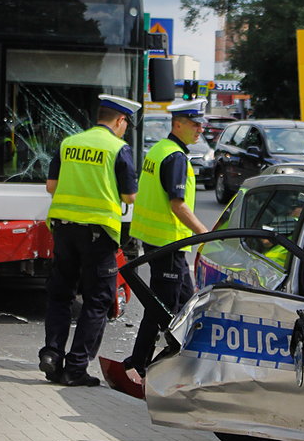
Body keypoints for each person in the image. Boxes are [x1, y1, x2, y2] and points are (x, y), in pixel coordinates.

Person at [38, 94, 142, 386]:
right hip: (98, 235)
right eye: (126, 125)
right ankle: (76, 368)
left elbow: (51, 187)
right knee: (98, 301)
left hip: (62, 229)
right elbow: (129, 196)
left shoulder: (69, 143)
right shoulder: (118, 148)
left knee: (60, 295)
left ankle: (52, 354)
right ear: (120, 121)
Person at [123, 99, 210, 378]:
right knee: (161, 308)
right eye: (195, 124)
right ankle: (138, 364)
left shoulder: (160, 150)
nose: (200, 130)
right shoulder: (174, 157)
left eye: (201, 125)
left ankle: (189, 361)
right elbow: (177, 204)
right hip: (168, 244)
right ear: (178, 124)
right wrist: (205, 234)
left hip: (162, 243)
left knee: (187, 304)